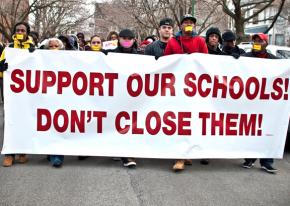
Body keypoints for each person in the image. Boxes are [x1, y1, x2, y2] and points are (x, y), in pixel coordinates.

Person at [164, 14, 208, 171]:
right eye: (186, 23)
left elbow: (206, 63)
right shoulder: (173, 42)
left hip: (194, 89)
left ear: (194, 26)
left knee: (191, 122)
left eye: (191, 23)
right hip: (177, 89)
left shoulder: (200, 42)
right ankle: (180, 157)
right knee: (179, 122)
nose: (189, 25)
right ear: (180, 26)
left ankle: (187, 153)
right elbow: (166, 63)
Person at [241, 33, 279, 174]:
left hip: (267, 103)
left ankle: (267, 162)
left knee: (268, 131)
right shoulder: (245, 58)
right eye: (255, 41)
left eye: (260, 41)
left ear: (266, 44)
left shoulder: (274, 61)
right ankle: (249, 159)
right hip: (250, 102)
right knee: (251, 130)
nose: (256, 43)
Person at [0, 22, 35, 167]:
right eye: (18, 30)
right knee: (10, 120)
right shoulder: (9, 49)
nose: (20, 31)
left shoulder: (34, 49)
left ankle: (22, 152)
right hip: (12, 91)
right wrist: (1, 67)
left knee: (25, 119)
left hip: (28, 92)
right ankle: (9, 154)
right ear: (15, 32)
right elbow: (1, 64)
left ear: (27, 32)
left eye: (23, 30)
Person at [106, 29, 138, 168]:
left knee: (128, 123)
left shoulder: (140, 55)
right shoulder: (110, 54)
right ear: (118, 39)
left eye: (129, 38)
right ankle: (123, 153)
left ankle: (125, 153)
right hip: (116, 94)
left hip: (133, 95)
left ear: (134, 40)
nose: (126, 40)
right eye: (123, 38)